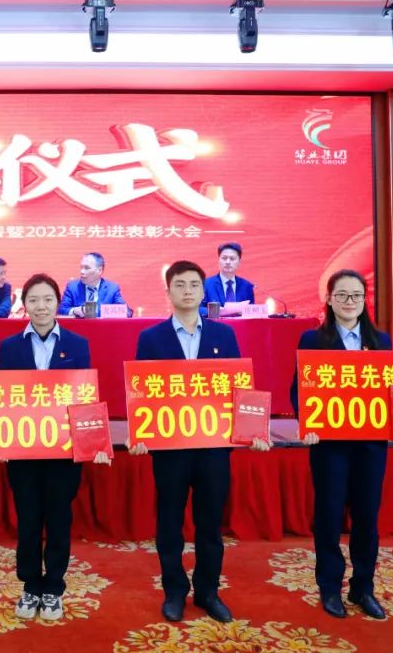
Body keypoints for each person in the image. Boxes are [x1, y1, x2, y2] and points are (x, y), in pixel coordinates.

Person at [130, 260, 270, 624]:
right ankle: (174, 591)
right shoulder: (151, 338)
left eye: (194, 284)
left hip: (213, 448)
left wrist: (253, 430)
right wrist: (141, 434)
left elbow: (240, 389)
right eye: (180, 285)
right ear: (168, 292)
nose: (188, 290)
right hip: (170, 449)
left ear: (203, 291)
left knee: (210, 525)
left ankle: (208, 592)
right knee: (169, 522)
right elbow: (141, 394)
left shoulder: (224, 335)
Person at [292, 269, 393, 621]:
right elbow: (299, 390)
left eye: (356, 295)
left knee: (367, 517)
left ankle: (363, 587)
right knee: (329, 516)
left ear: (364, 301)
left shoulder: (380, 340)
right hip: (329, 446)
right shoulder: (312, 340)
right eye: (342, 295)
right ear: (329, 299)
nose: (349, 302)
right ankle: (329, 587)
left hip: (370, 446)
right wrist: (306, 424)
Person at [0, 273, 109, 621]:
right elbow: (1, 398)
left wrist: (94, 442)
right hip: (23, 450)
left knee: (59, 517)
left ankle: (54, 587)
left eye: (47, 299)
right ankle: (31, 585)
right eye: (33, 300)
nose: (41, 306)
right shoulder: (9, 347)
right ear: (24, 305)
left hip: (64, 451)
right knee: (28, 518)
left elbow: (85, 396)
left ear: (57, 303)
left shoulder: (77, 344)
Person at [58, 252, 132, 318]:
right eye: (81, 267)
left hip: (103, 328)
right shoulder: (72, 287)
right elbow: (61, 310)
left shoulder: (112, 289)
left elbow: (127, 312)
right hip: (79, 328)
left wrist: (102, 312)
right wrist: (75, 311)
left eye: (87, 268)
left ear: (99, 270)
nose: (82, 271)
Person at [200, 243, 255, 317]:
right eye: (224, 258)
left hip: (240, 324)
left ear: (239, 262)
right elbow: (196, 309)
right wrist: (215, 311)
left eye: (232, 259)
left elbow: (251, 312)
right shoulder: (206, 285)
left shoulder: (247, 286)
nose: (228, 262)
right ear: (218, 260)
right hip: (214, 324)